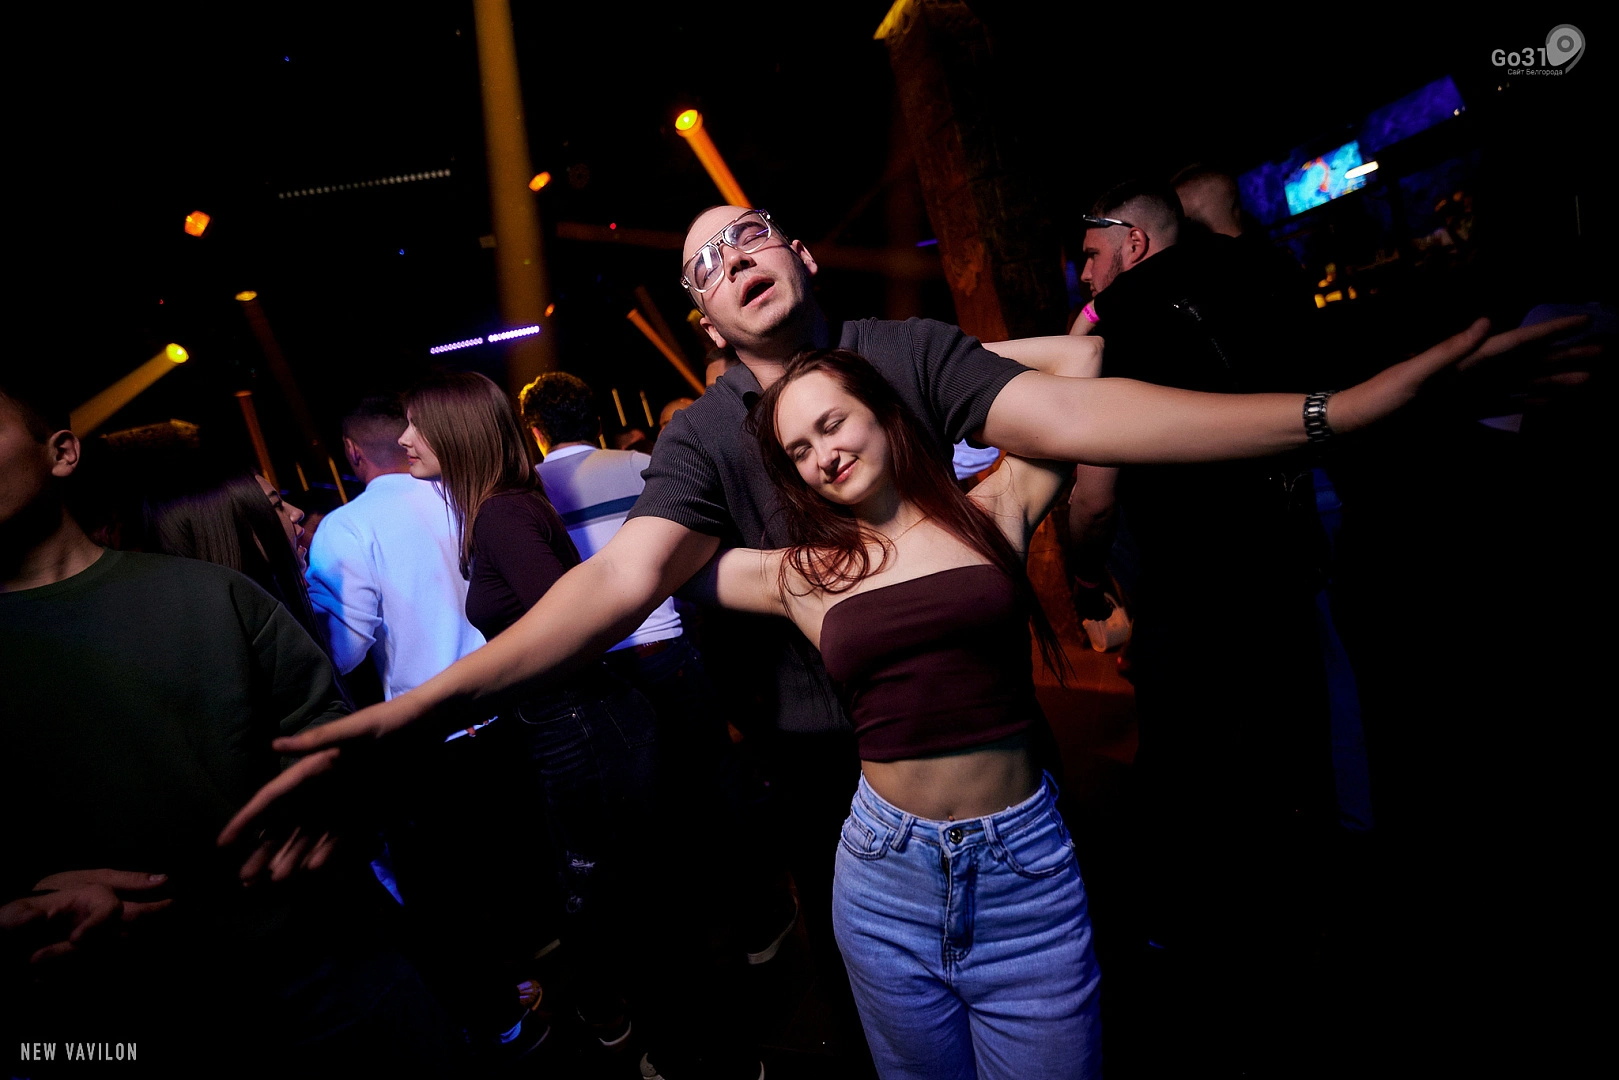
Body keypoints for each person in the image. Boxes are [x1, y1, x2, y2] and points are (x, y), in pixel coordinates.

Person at [223, 204, 1586, 1073]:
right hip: (833, 789)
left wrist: (1342, 409)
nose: (732, 260)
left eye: (750, 235)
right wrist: (406, 714)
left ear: (799, 258)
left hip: (1000, 771)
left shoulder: (911, 353)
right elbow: (614, 588)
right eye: (703, 265)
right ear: (702, 319)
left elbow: (1080, 408)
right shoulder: (698, 438)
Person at [0, 376, 459, 1072]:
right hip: (109, 1019)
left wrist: (336, 799)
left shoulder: (213, 596)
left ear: (62, 452)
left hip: (322, 975)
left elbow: (338, 746)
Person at [685, 348, 1100, 1078]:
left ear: (882, 408)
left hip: (1024, 871)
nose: (823, 457)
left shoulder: (992, 508)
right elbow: (669, 565)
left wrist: (910, 361)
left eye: (831, 424)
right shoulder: (805, 574)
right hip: (884, 877)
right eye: (799, 450)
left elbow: (1080, 359)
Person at [398, 371, 662, 1057]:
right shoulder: (500, 507)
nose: (403, 439)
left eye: (416, 424)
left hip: (579, 723)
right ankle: (654, 1029)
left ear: (456, 432)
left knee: (610, 894)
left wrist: (475, 687)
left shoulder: (502, 515)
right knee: (610, 888)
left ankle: (677, 1043)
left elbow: (572, 627)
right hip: (569, 721)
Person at [520, 371, 800, 968]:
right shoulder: (640, 467)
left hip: (593, 671)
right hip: (663, 649)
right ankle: (756, 923)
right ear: (596, 419)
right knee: (714, 785)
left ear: (536, 431)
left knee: (641, 812)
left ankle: (687, 950)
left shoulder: (529, 494)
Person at [305, 394, 485, 701]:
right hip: (512, 693)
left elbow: (345, 650)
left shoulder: (345, 525)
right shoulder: (467, 496)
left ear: (352, 449)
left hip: (437, 712)